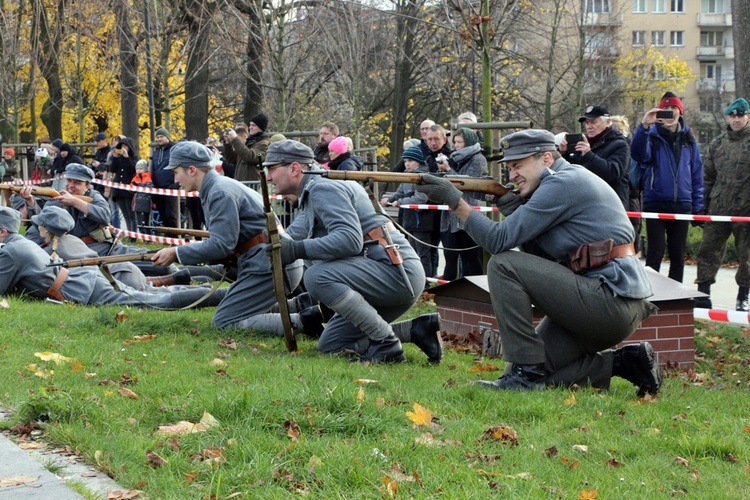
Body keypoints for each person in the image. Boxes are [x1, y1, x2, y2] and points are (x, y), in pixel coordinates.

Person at [415, 129, 660, 395]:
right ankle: (624, 363)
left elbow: (498, 242)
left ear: (546, 158)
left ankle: (525, 373)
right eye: (509, 168)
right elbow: (543, 259)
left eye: (518, 165)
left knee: (502, 264)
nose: (512, 175)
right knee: (538, 375)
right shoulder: (561, 182)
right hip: (605, 303)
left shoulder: (562, 183)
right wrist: (514, 209)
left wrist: (454, 200)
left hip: (609, 301)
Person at [265, 139, 443, 364]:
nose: (268, 177)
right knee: (332, 345)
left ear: (294, 168)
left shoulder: (322, 188)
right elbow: (288, 239)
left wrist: (297, 250)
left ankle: (386, 344)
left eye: (272, 168)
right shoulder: (316, 189)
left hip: (395, 273)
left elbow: (349, 241)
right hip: (386, 273)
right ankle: (416, 329)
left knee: (317, 277)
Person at [150, 141, 304, 329]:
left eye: (175, 172)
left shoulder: (219, 191)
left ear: (191, 170)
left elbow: (222, 244)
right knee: (233, 310)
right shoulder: (218, 187)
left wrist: (176, 253)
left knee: (224, 321)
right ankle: (301, 308)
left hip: (272, 266)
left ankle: (304, 322)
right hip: (270, 262)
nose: (175, 180)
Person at [0, 206, 224, 309]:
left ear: (3, 232)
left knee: (153, 301)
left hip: (82, 286)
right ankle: (215, 292)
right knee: (154, 294)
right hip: (88, 278)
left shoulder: (11, 251)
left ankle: (219, 296)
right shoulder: (20, 244)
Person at [631, 92, 704, 283]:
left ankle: (675, 298)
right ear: (659, 114)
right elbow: (638, 155)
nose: (670, 114)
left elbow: (696, 173)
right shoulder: (651, 136)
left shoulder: (689, 139)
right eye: (666, 110)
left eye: (673, 109)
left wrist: (697, 205)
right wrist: (644, 126)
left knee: (678, 256)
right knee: (655, 254)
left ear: (680, 112)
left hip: (682, 203)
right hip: (656, 202)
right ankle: (652, 296)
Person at [695, 98, 750, 311]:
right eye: (732, 116)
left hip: (746, 210)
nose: (736, 119)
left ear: (747, 117)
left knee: (746, 256)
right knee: (708, 250)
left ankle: (742, 297)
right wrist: (703, 206)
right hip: (719, 208)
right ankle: (702, 294)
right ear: (727, 117)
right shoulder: (717, 143)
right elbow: (708, 177)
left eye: (740, 115)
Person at [435, 127, 487, 280]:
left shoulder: (478, 159)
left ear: (468, 142)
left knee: (471, 259)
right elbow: (447, 183)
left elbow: (466, 184)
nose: (456, 145)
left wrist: (448, 169)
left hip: (469, 215)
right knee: (450, 257)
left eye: (459, 142)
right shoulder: (456, 158)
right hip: (452, 217)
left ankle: (475, 293)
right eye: (455, 142)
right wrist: (442, 169)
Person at [558, 105, 630, 210]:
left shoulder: (620, 145)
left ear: (608, 122)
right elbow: (572, 173)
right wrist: (564, 154)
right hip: (586, 204)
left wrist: (588, 155)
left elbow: (613, 174)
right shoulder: (583, 143)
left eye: (593, 122)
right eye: (587, 123)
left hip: (611, 206)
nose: (589, 126)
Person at [380, 146, 437, 278]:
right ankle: (415, 278)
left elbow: (421, 198)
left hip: (422, 222)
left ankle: (426, 282)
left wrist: (400, 203)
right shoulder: (407, 175)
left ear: (418, 161)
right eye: (405, 161)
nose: (407, 164)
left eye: (410, 160)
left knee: (423, 254)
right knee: (412, 253)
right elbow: (399, 192)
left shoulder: (423, 177)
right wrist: (390, 198)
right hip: (410, 221)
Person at [223, 114, 270, 183]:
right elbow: (232, 159)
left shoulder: (263, 144)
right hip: (241, 184)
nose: (250, 127)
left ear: (261, 127)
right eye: (250, 125)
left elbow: (250, 156)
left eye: (253, 125)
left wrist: (235, 138)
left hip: (251, 185)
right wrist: (228, 143)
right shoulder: (249, 142)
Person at [108, 137, 139, 233]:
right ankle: (129, 233)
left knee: (131, 215)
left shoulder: (134, 158)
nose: (123, 148)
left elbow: (132, 169)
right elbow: (112, 169)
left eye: (125, 146)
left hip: (129, 190)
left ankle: (133, 234)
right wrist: (114, 158)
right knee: (125, 214)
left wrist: (126, 157)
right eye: (122, 146)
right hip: (118, 190)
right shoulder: (118, 158)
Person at [151, 128, 179, 228]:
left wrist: (175, 184)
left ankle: (174, 237)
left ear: (167, 137)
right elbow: (154, 168)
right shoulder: (156, 152)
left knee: (170, 214)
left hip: (170, 186)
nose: (159, 139)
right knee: (162, 214)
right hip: (158, 187)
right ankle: (168, 238)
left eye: (161, 136)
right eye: (157, 137)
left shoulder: (174, 150)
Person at [131, 159, 154, 229]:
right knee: (139, 221)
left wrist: (139, 186)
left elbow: (150, 187)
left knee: (146, 220)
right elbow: (131, 188)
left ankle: (147, 233)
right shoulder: (135, 178)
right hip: (137, 202)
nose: (139, 170)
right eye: (137, 168)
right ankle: (141, 233)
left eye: (141, 168)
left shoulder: (148, 178)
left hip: (146, 201)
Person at [90, 133, 112, 197]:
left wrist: (100, 165)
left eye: (98, 141)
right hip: (96, 177)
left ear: (105, 140)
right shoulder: (99, 151)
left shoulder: (110, 152)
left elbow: (110, 165)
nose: (97, 143)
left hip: (105, 178)